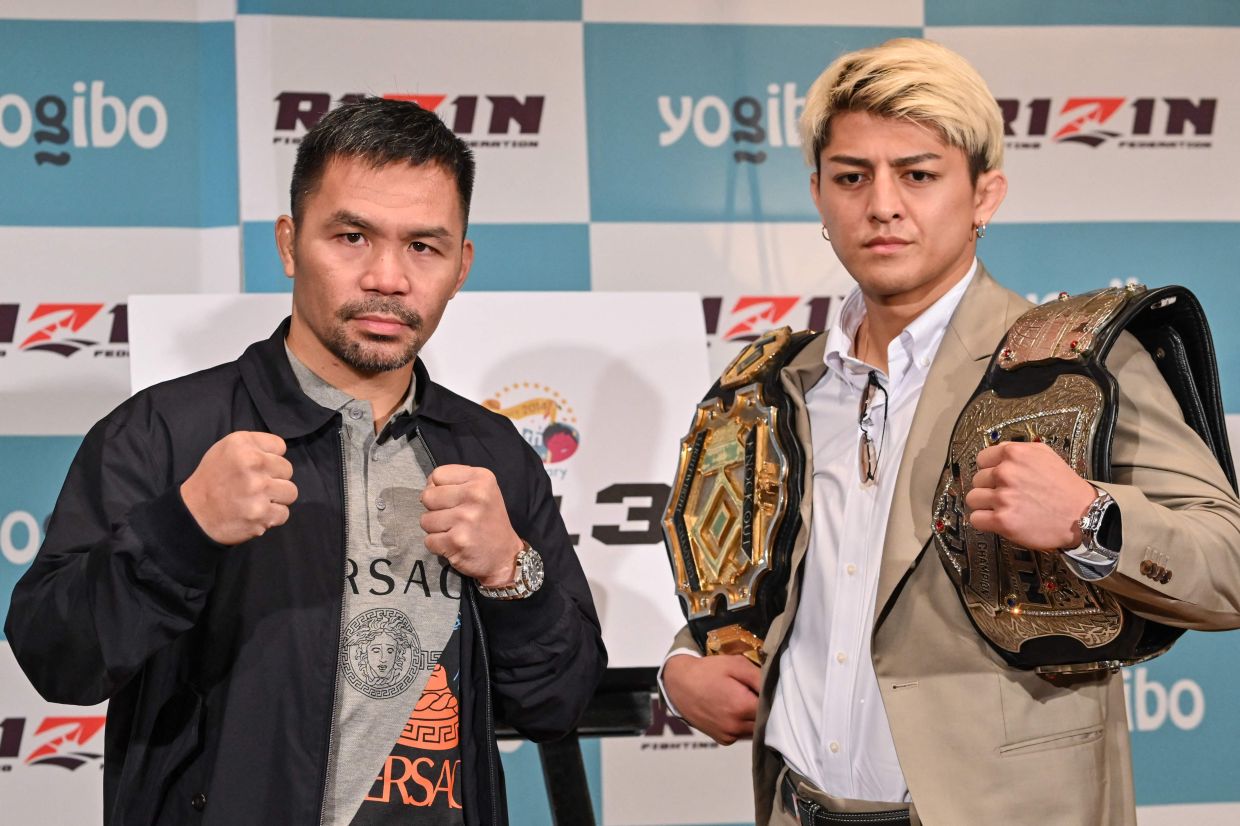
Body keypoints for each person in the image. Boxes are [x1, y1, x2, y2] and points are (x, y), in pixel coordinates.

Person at [660, 38, 1240, 826]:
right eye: (852, 177)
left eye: (919, 175)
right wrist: (683, 661)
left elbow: (1228, 561)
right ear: (818, 194)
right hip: (799, 807)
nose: (883, 205)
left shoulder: (1074, 363)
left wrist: (1089, 520)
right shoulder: (777, 382)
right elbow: (800, 582)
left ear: (984, 195)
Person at [5, 97, 606, 825]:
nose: (388, 277)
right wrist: (182, 529)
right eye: (352, 237)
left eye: (424, 246)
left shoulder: (491, 451)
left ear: (461, 266)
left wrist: (513, 574)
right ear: (290, 244)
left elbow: (558, 704)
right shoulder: (167, 430)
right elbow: (56, 660)